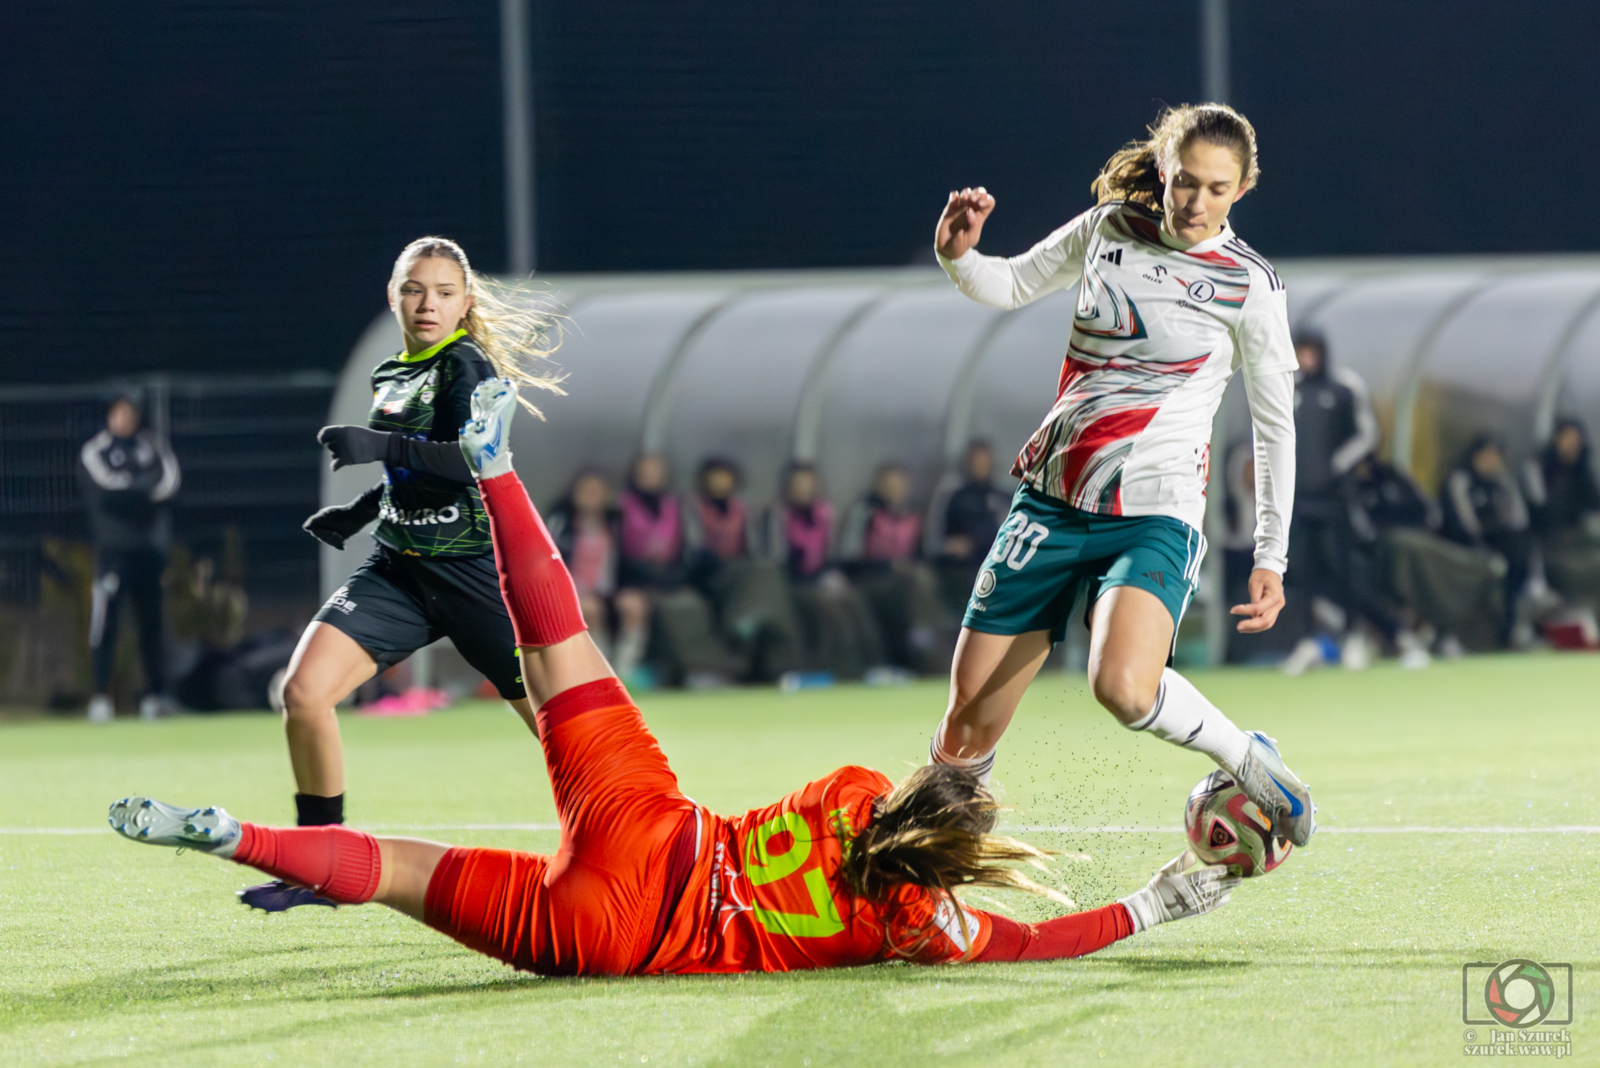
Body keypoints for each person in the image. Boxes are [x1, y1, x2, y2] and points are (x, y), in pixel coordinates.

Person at [108, 380, 1239, 977]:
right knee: (405, 871)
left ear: (916, 794)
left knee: (562, 651)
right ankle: (238, 835)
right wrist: (1155, 901)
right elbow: (1040, 941)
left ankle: (495, 471)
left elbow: (915, 812)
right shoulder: (920, 926)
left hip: (653, 831)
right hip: (618, 936)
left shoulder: (850, 793)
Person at [927, 103, 1312, 846]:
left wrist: (1271, 556)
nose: (1197, 203)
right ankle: (945, 859)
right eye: (1186, 182)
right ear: (1163, 170)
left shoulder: (1250, 284)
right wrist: (957, 256)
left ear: (1242, 190)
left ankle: (1246, 759)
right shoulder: (1108, 229)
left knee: (1124, 689)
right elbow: (1006, 284)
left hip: (1154, 513)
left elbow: (1275, 426)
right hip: (1052, 502)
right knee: (966, 720)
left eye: (1218, 189)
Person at [271, 236, 561, 908]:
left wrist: (378, 445)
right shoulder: (390, 374)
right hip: (399, 570)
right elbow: (412, 469)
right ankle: (323, 861)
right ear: (394, 295)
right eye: (413, 289)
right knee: (304, 693)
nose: (427, 303)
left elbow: (470, 461)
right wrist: (361, 510)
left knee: (558, 729)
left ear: (464, 304)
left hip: (472, 575)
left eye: (443, 291)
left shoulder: (468, 366)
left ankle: (635, 846)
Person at [1279, 333, 1381, 673]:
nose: (1305, 359)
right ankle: (1309, 642)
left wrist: (1335, 468)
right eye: (1300, 352)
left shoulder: (1344, 387)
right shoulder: (1286, 388)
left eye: (1311, 352)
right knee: (1301, 572)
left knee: (1345, 569)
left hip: (1337, 500)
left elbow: (1366, 435)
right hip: (1298, 501)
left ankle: (1353, 637)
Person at [80, 392, 181, 722]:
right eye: (118, 411)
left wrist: (132, 491)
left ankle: (155, 697)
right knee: (105, 626)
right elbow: (108, 492)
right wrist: (141, 490)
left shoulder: (152, 447)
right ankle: (100, 698)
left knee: (152, 626)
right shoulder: (96, 451)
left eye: (129, 412)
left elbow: (168, 486)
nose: (123, 418)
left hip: (149, 553)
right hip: (112, 555)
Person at [685, 458, 801, 682]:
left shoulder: (747, 510)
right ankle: (741, 626)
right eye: (714, 478)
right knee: (761, 575)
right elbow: (692, 550)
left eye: (724, 477)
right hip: (708, 574)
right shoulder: (692, 508)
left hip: (743, 571)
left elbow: (759, 549)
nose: (720, 483)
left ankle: (755, 632)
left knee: (766, 572)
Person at [764, 462, 883, 679]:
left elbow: (832, 552)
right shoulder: (778, 515)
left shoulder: (826, 513)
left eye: (808, 484)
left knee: (852, 600)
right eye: (798, 484)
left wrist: (827, 574)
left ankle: (871, 664)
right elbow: (775, 559)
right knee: (827, 604)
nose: (803, 489)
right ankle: (839, 667)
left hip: (821, 578)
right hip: (791, 583)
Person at [840, 463, 947, 674]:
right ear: (878, 486)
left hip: (905, 582)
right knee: (917, 586)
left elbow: (923, 554)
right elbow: (847, 558)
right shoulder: (864, 512)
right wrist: (888, 565)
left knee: (921, 584)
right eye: (890, 485)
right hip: (869, 580)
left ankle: (925, 649)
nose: (896, 490)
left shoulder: (915, 514)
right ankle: (921, 650)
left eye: (900, 485)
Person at [1441, 435, 1534, 645]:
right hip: (1467, 544)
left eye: (1496, 456)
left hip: (1503, 545)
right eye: (1487, 455)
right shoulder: (1460, 480)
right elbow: (1462, 523)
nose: (1492, 461)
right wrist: (1482, 547)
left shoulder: (1502, 483)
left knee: (1521, 553)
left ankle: (1513, 624)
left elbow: (1518, 519)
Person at [543, 469, 623, 658]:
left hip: (607, 590)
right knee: (590, 609)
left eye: (596, 491)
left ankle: (625, 665)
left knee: (634, 605)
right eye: (586, 490)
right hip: (567, 588)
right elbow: (543, 556)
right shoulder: (560, 521)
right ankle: (599, 662)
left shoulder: (616, 523)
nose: (591, 496)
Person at [934, 441, 1013, 612]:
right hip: (961, 568)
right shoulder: (956, 497)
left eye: (983, 462)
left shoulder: (1003, 498)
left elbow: (1007, 530)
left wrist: (973, 542)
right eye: (976, 462)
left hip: (999, 565)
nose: (980, 466)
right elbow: (941, 538)